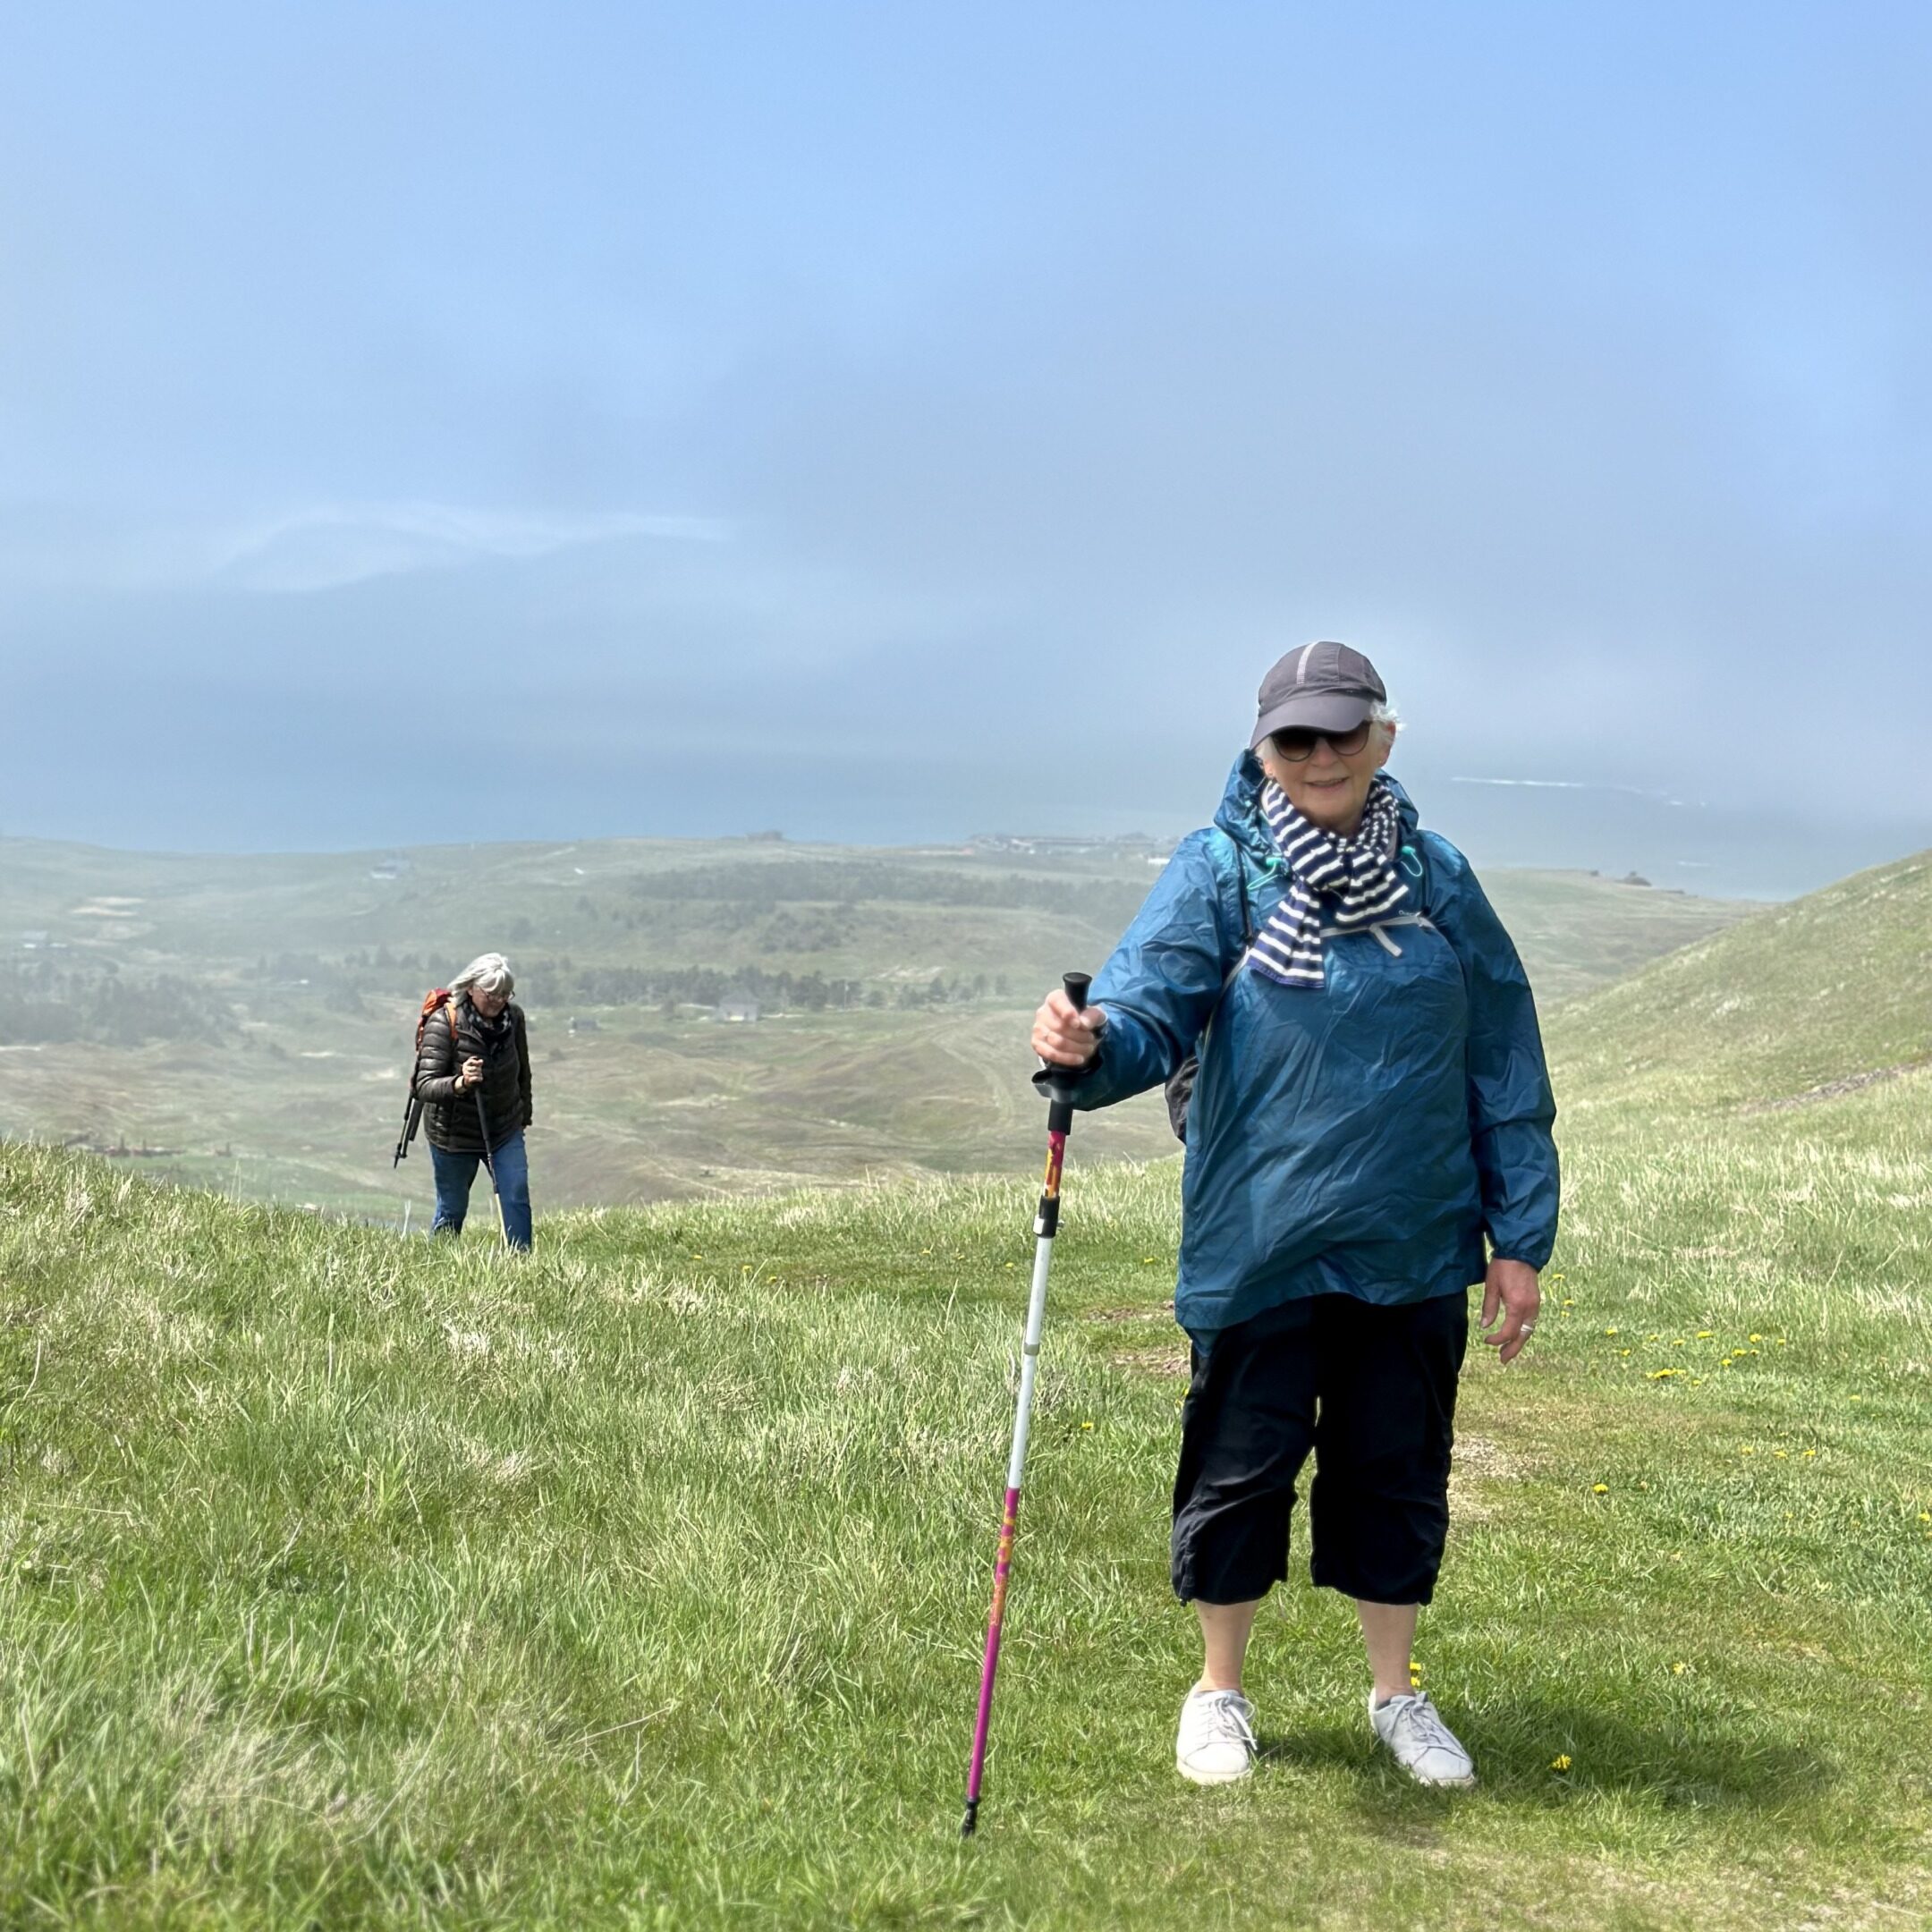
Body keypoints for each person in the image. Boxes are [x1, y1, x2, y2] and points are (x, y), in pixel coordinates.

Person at [1030, 641, 1557, 1790]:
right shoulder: (1221, 871)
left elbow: (1502, 1053)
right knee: (1240, 1468)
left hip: (1413, 1238)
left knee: (1396, 1471)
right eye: (1296, 738)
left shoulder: (1438, 877)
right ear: (1262, 749)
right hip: (1260, 1237)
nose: (1321, 756)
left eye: (1343, 732)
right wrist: (1089, 1043)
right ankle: (1218, 1693)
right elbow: (1146, 1006)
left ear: (1386, 736)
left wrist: (1518, 1237)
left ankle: (1395, 1699)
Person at [412, 952, 535, 1250]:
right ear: (470, 988)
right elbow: (424, 1085)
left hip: (504, 1128)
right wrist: (459, 1082)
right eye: (491, 994)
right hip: (454, 1136)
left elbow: (523, 1070)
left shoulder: (514, 1018)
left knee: (515, 1194)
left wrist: (523, 1114)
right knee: (452, 1208)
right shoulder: (445, 1022)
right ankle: (438, 1264)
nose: (498, 1001)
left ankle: (522, 1264)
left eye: (505, 994)